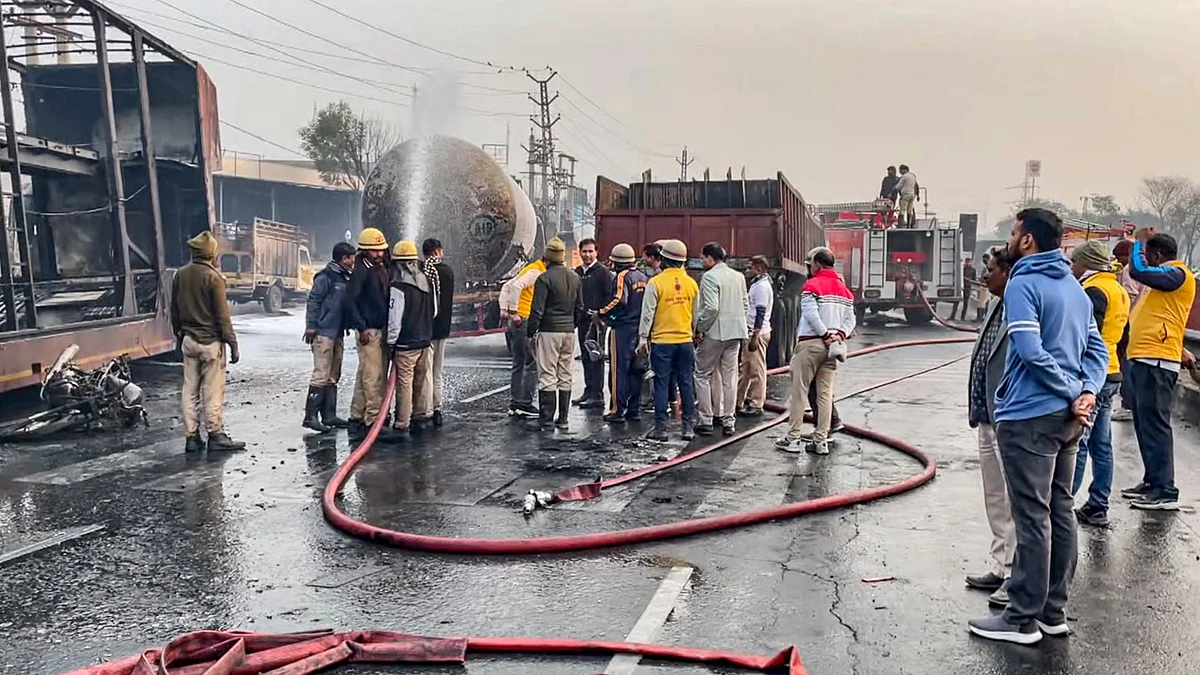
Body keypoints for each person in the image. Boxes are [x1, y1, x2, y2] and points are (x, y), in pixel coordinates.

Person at [968, 207, 1108, 645]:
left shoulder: (1024, 284)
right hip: (1069, 421)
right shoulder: (1074, 287)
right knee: (1060, 509)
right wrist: (1086, 393)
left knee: (1032, 516)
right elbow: (1097, 351)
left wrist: (1070, 393)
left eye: (1014, 233)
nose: (1010, 240)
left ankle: (1021, 618)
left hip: (1030, 416)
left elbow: (1028, 349)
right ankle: (1052, 612)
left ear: (1027, 240)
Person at [1120, 230, 1196, 511]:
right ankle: (1153, 480)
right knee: (1145, 425)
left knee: (1155, 426)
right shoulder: (1163, 280)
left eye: (1149, 254)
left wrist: (1138, 240)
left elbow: (1137, 269)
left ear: (1158, 255)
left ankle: (1165, 489)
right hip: (1146, 358)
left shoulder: (1177, 274)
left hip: (1157, 361)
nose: (1145, 261)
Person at [964, 247, 1016, 609]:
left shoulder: (1021, 304)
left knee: (1014, 499)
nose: (985, 277)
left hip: (1009, 416)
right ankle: (1001, 564)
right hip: (987, 414)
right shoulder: (997, 303)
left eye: (992, 270)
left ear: (1009, 272)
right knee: (995, 495)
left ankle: (1016, 575)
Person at [1069, 240, 1130, 526]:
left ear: (1086, 263)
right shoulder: (1118, 289)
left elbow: (1084, 339)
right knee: (1102, 445)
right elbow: (1123, 338)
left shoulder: (1092, 291)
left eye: (1075, 262)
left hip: (1092, 377)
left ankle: (1063, 502)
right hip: (1113, 372)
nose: (1073, 267)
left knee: (1079, 443)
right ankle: (1098, 505)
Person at [774, 247, 856, 455]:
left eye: (811, 264)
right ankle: (821, 441)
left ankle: (793, 438)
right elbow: (851, 320)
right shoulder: (844, 291)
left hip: (811, 344)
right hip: (832, 348)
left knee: (799, 391)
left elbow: (810, 314)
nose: (809, 268)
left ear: (818, 263)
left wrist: (825, 333)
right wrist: (838, 336)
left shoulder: (812, 285)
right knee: (825, 395)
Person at [170, 231, 245, 453]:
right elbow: (222, 317)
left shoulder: (180, 275)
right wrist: (233, 344)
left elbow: (174, 310)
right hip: (210, 343)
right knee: (212, 390)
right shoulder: (214, 278)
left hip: (189, 340)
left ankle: (191, 438)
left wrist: (179, 335)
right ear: (211, 253)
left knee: (189, 390)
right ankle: (215, 434)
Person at [639, 239, 699, 441]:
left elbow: (648, 314)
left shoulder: (655, 283)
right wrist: (695, 333)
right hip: (685, 342)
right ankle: (688, 427)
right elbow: (696, 314)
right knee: (686, 383)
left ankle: (661, 429)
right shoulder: (691, 284)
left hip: (662, 342)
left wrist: (642, 339)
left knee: (662, 384)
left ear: (663, 258)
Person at [526, 238, 584, 430]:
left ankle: (547, 419)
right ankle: (563, 418)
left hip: (549, 331)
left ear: (548, 257)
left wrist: (530, 332)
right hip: (568, 331)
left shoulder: (544, 279)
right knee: (565, 373)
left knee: (547, 374)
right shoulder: (575, 277)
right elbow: (580, 308)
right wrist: (572, 325)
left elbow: (537, 310)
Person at [693, 242, 749, 437]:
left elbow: (711, 308)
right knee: (729, 378)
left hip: (715, 333)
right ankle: (728, 420)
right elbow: (745, 303)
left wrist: (700, 328)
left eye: (702, 258)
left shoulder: (709, 277)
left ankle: (706, 419)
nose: (701, 261)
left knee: (702, 374)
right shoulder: (739, 276)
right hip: (736, 333)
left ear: (710, 258)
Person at [384, 241, 435, 442]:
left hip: (406, 343)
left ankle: (401, 424)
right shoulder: (425, 281)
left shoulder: (399, 286)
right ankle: (420, 418)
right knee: (421, 381)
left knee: (404, 384)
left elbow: (395, 319)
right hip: (424, 340)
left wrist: (391, 343)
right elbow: (434, 310)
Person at [302, 242, 356, 433]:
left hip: (337, 332)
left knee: (333, 375)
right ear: (344, 258)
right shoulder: (326, 277)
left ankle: (329, 415)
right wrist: (311, 326)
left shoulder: (343, 277)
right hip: (323, 332)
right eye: (351, 258)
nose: (353, 261)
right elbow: (314, 300)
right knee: (321, 374)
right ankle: (310, 417)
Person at [344, 227, 392, 441]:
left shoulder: (377, 267)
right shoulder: (361, 271)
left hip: (378, 327)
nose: (379, 255)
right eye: (375, 251)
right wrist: (361, 327)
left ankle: (356, 417)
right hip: (369, 331)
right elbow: (350, 301)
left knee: (365, 373)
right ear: (364, 250)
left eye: (381, 250)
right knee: (374, 377)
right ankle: (374, 421)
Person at [599, 243, 648, 424]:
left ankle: (617, 409)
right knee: (637, 370)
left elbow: (620, 300)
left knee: (619, 370)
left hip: (622, 330)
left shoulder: (622, 276)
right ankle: (633, 410)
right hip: (639, 329)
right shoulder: (643, 277)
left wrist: (602, 313)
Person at [498, 253, 546, 418]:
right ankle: (525, 403)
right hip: (524, 319)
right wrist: (514, 311)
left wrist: (505, 310)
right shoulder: (537, 272)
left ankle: (515, 402)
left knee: (518, 362)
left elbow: (507, 286)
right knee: (530, 363)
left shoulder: (530, 268)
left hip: (518, 322)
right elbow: (517, 286)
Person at [574, 238, 614, 409]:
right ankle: (588, 390)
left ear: (596, 252)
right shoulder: (577, 272)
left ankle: (597, 395)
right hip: (582, 321)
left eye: (591, 251)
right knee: (585, 355)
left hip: (597, 322)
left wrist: (602, 316)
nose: (587, 255)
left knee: (595, 356)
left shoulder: (603, 273)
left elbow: (609, 296)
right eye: (584, 251)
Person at [423, 238, 454, 428]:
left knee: (425, 371)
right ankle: (437, 409)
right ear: (438, 252)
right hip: (442, 328)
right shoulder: (447, 272)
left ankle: (424, 409)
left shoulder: (423, 272)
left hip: (425, 329)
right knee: (437, 372)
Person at [1111, 239, 1144, 422]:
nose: (1119, 261)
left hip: (1128, 321)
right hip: (1137, 321)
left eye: (1120, 257)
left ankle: (1127, 404)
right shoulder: (1142, 270)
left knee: (1126, 362)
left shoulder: (1129, 270)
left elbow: (1129, 295)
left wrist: (1122, 316)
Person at [737, 255, 773, 417]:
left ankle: (757, 403)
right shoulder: (757, 284)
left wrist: (755, 336)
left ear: (759, 269)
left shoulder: (762, 287)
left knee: (757, 370)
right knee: (745, 369)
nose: (747, 270)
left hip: (757, 332)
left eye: (750, 267)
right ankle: (738, 400)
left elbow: (760, 311)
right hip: (751, 331)